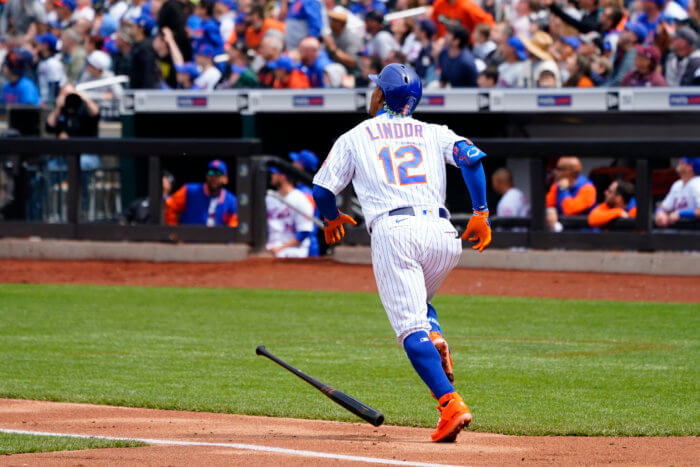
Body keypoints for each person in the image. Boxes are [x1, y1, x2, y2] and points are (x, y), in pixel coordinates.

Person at [311, 63, 492, 443]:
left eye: (375, 87)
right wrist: (480, 213)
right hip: (444, 233)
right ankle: (435, 336)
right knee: (421, 308)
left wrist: (330, 218)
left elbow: (323, 191)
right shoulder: (433, 131)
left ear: (380, 95)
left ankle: (449, 403)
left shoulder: (356, 136)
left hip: (395, 231)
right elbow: (470, 157)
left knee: (410, 327)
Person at [164, 159, 238, 227]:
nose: (213, 177)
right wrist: (174, 232)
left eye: (218, 174)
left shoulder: (231, 200)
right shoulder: (189, 190)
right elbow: (170, 205)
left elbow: (234, 223)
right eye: (210, 172)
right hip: (189, 239)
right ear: (206, 175)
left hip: (218, 240)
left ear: (225, 179)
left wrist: (228, 240)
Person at [265, 166, 315, 257]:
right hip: (271, 249)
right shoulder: (269, 198)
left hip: (293, 251)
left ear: (283, 177)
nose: (271, 176)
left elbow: (304, 232)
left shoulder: (300, 199)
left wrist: (280, 248)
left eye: (274, 174)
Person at [545, 156, 596, 231]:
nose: (555, 171)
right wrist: (550, 210)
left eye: (559, 169)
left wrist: (563, 190)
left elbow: (569, 211)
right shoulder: (556, 186)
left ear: (569, 172)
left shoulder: (588, 188)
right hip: (564, 234)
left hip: (586, 235)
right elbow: (547, 204)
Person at [290, 149, 321, 256]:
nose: (292, 164)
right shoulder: (301, 188)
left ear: (300, 168)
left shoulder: (306, 193)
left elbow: (306, 225)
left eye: (295, 162)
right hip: (296, 242)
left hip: (305, 244)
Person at [655, 157, 700, 227]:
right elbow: (663, 207)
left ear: (690, 167)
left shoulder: (697, 183)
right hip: (680, 230)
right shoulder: (677, 184)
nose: (680, 161)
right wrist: (660, 213)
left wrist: (680, 213)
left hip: (695, 230)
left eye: (683, 162)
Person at [35, 32, 67, 104]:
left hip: (50, 104)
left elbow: (55, 88)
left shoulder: (53, 63)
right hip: (43, 101)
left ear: (46, 45)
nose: (37, 44)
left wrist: (50, 104)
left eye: (40, 42)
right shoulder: (42, 61)